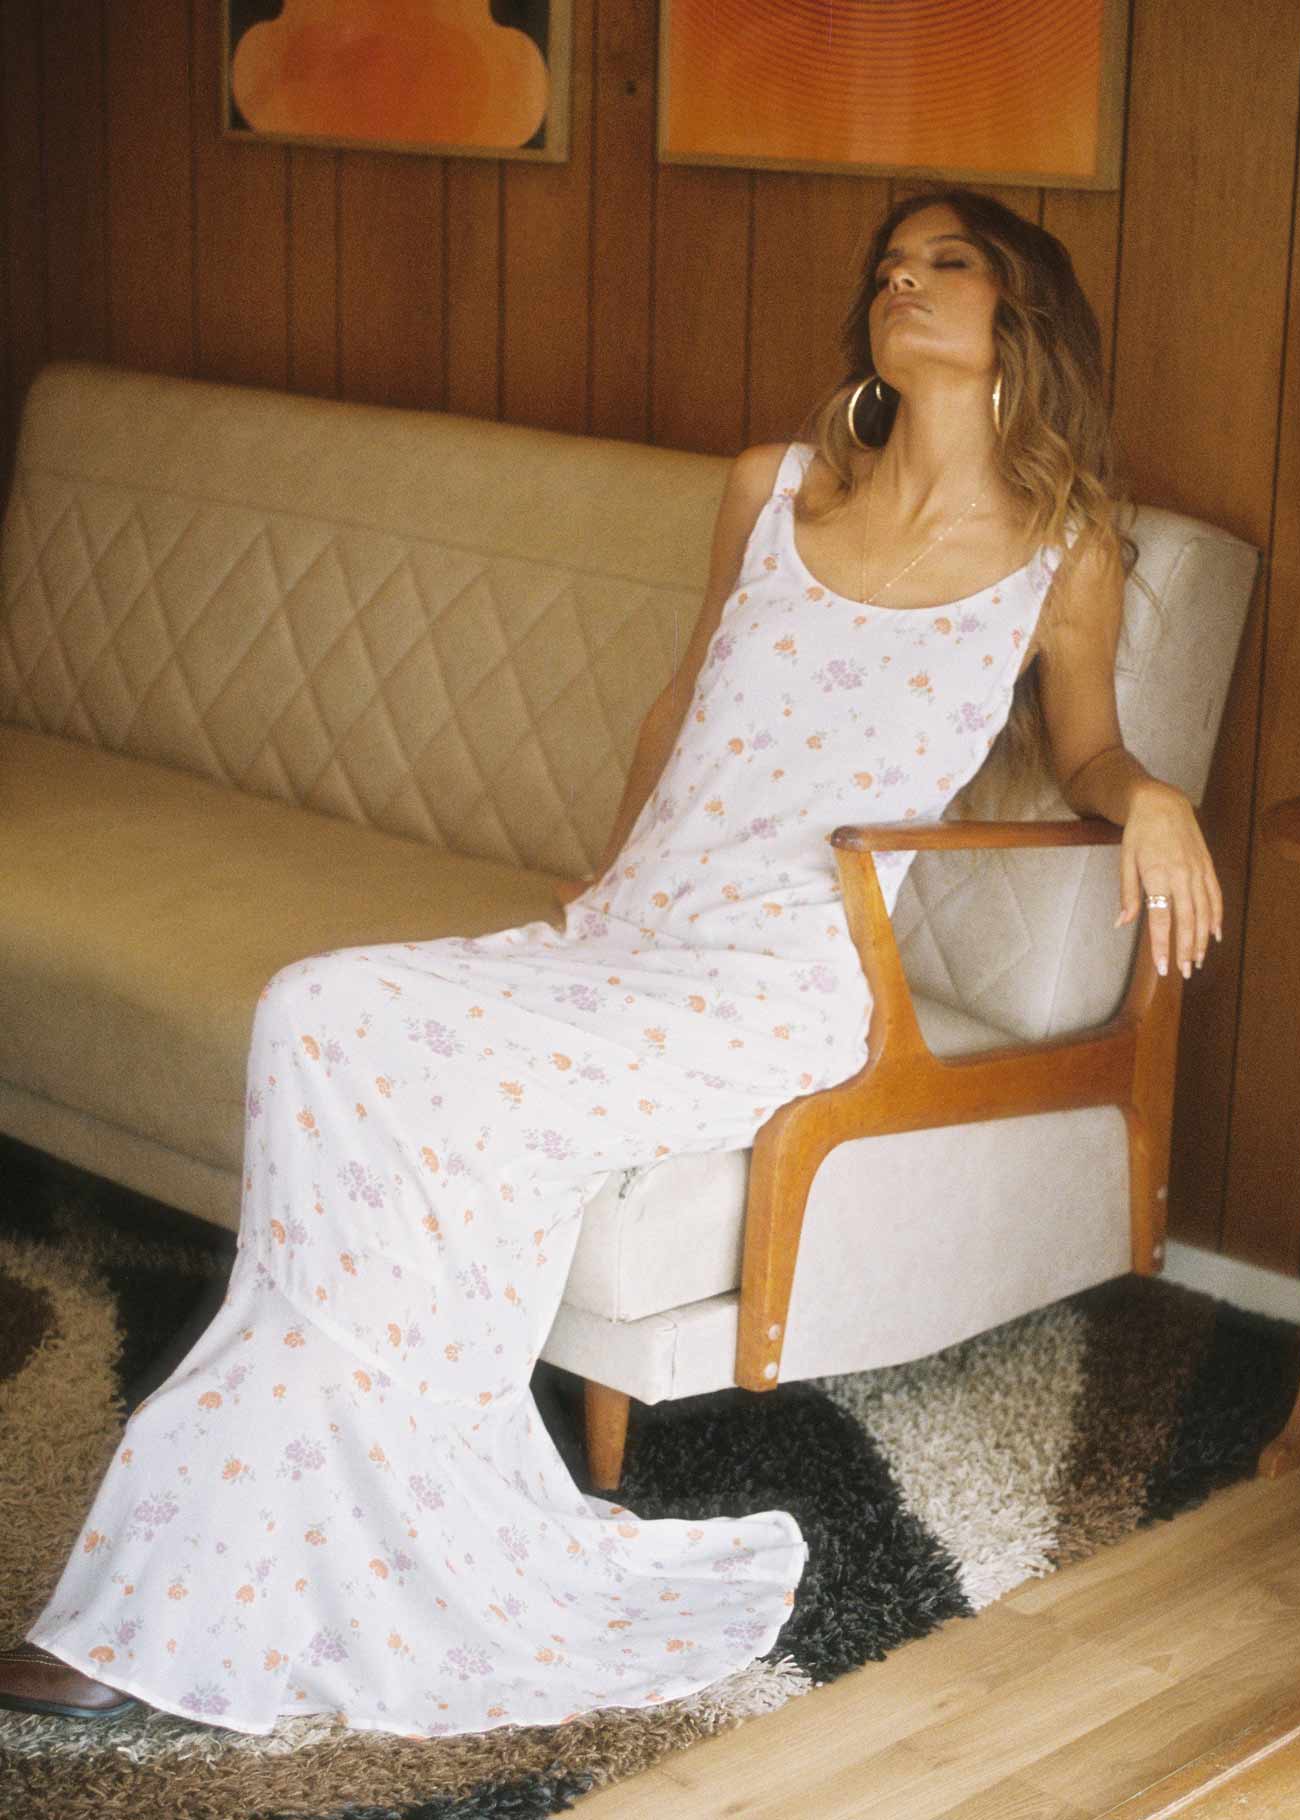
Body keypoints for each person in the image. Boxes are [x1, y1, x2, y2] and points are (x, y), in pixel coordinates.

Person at [0, 188, 1221, 1735]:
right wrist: (618, 874)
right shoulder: (774, 491)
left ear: (1019, 313)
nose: (902, 282)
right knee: (318, 1011)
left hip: (777, 986)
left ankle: (172, 1618)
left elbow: (1090, 746)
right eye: (887, 267)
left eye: (946, 263)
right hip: (636, 934)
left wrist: (1151, 799)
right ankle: (382, 1539)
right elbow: (679, 703)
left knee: (414, 1101)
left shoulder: (1063, 553)